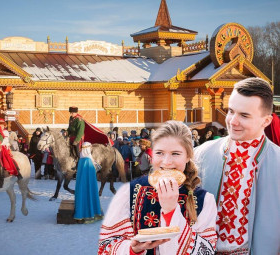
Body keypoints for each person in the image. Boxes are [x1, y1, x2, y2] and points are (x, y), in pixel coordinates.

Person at [98, 120, 217, 255]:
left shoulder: (204, 200)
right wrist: (132, 249)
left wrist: (171, 211)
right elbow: (106, 246)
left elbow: (206, 251)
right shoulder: (129, 193)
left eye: (176, 153)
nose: (166, 162)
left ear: (188, 156)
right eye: (160, 153)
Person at [194, 77, 279, 254]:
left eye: (244, 115)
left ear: (266, 121)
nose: (232, 121)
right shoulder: (201, 154)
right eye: (231, 111)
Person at [74, 142, 103, 223]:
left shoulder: (81, 159)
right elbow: (92, 171)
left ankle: (81, 213)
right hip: (90, 183)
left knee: (82, 195)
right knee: (90, 194)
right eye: (90, 148)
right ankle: (90, 213)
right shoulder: (88, 160)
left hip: (82, 184)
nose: (91, 149)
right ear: (87, 148)